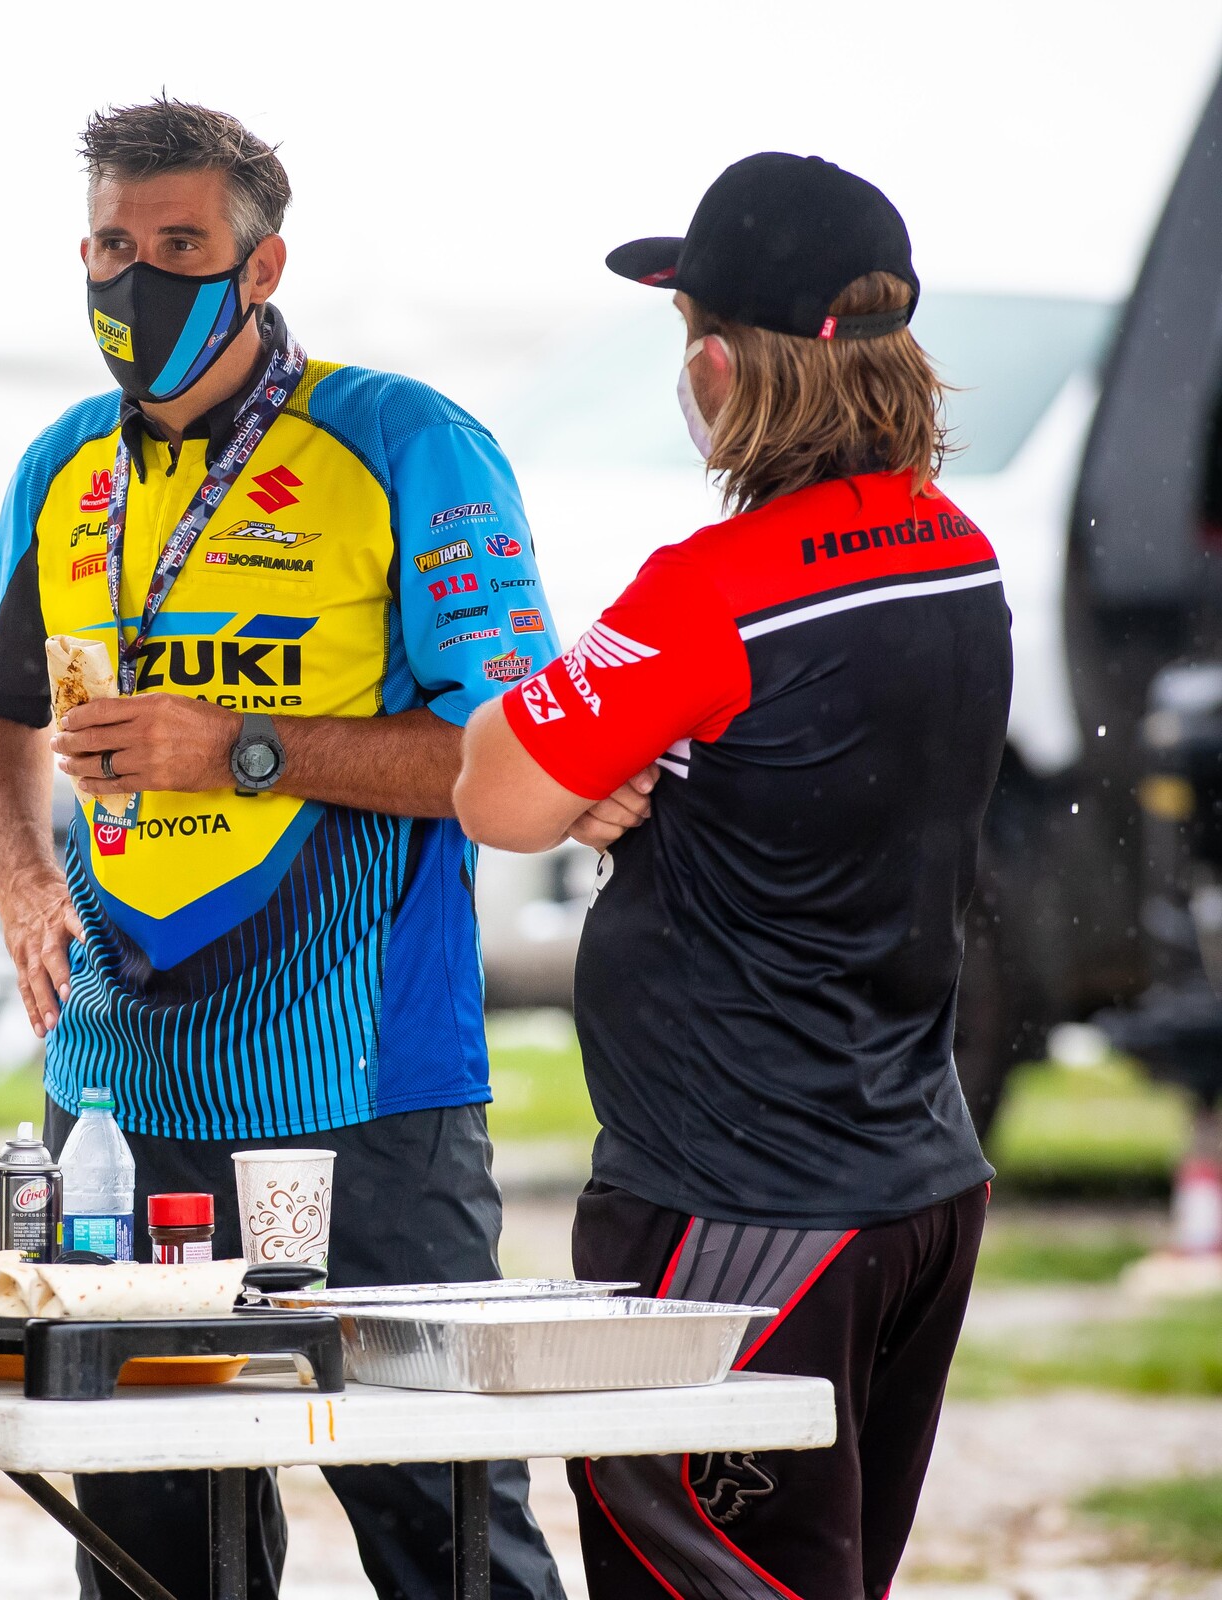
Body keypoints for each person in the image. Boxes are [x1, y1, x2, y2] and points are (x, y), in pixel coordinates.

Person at [0, 98, 573, 1600]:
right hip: (117, 1092)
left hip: (359, 1086)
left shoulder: (408, 442)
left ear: (263, 264)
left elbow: (521, 760)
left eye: (178, 246)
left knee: (437, 1521)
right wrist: (25, 883)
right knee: (157, 1539)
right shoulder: (63, 466)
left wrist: (240, 743)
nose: (135, 279)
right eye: (111, 244)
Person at [452, 154, 1003, 1600]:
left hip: (742, 1200)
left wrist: (564, 746)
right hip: (915, 1178)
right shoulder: (964, 554)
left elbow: (499, 793)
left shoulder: (720, 587)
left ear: (714, 362)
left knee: (690, 1571)